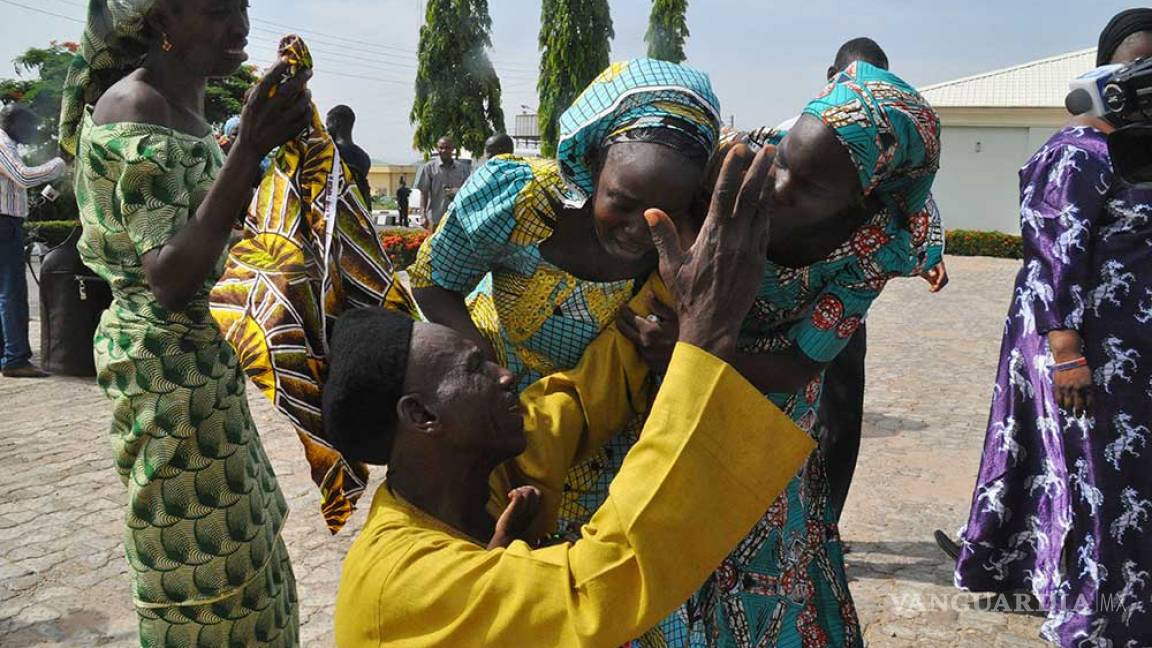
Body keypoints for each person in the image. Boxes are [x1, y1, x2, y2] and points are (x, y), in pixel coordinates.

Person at [332, 144, 819, 647]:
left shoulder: (472, 478)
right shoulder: (404, 582)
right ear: (421, 415)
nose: (504, 375)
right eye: (475, 366)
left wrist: (680, 288)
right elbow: (601, 585)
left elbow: (584, 398)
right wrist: (709, 337)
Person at [613, 62, 943, 646]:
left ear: (862, 197)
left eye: (811, 186)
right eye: (787, 158)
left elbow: (801, 364)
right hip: (665, 380)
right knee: (650, 537)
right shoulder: (740, 161)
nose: (780, 186)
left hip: (765, 408)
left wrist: (696, 346)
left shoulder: (877, 244)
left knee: (756, 565)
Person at [59, 1, 312, 644]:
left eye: (243, 6)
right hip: (165, 372)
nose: (241, 25)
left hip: (205, 366)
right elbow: (169, 278)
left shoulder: (186, 108)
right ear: (163, 17)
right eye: (216, 9)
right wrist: (249, 146)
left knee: (250, 553)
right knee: (199, 572)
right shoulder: (134, 108)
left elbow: (211, 225)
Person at [949, 10, 1152, 645]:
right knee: (1099, 482)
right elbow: (1054, 259)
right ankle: (1098, 615)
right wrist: (1066, 353)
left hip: (1138, 355)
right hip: (1090, 355)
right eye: (1139, 60)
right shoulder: (1076, 153)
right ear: (1105, 71)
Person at [809, 38, 950, 525]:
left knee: (841, 414)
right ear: (832, 74)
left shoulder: (890, 137)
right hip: (788, 297)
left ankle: (825, 523)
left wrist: (930, 248)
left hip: (846, 299)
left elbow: (914, 192)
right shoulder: (806, 129)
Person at [0, 103, 65, 379]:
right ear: (13, 123)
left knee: (4, 293)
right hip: (4, 224)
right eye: (29, 126)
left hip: (7, 222)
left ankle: (8, 353)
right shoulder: (2, 144)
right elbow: (22, 176)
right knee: (12, 292)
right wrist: (59, 164)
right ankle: (15, 360)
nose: (32, 133)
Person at [414, 135, 471, 230]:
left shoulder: (462, 169)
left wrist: (457, 191)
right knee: (432, 244)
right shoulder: (429, 168)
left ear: (453, 149)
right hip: (435, 219)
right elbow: (423, 193)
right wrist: (423, 216)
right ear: (437, 149)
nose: (444, 150)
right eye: (441, 148)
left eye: (447, 148)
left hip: (457, 219)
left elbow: (468, 191)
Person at [326, 104, 373, 205]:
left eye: (327, 124)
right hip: (358, 211)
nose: (326, 129)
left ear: (336, 122)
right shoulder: (364, 158)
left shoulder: (331, 153)